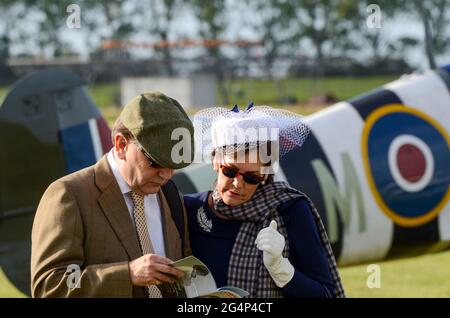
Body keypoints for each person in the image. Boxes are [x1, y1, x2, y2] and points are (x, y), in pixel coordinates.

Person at [31, 91, 193, 297]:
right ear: (121, 144)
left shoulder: (170, 194)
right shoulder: (69, 194)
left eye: (173, 165)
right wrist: (127, 274)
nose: (166, 175)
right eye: (155, 162)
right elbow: (50, 284)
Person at [184, 104, 345, 298]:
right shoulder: (190, 209)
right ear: (216, 162)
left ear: (265, 176)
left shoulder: (289, 210)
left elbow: (325, 294)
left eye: (251, 177)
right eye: (230, 171)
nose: (237, 184)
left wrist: (281, 269)